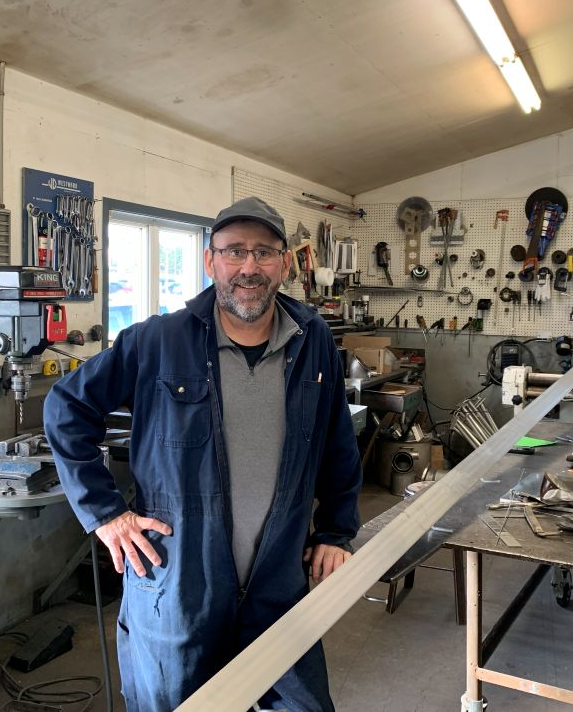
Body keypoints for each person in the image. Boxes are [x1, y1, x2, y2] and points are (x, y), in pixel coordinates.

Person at [43, 196, 361, 712]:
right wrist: (105, 514)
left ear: (284, 263)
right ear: (210, 261)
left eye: (263, 252)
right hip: (179, 589)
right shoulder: (158, 340)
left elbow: (336, 440)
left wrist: (335, 531)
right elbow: (67, 406)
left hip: (278, 586)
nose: (249, 267)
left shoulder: (313, 339)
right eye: (234, 251)